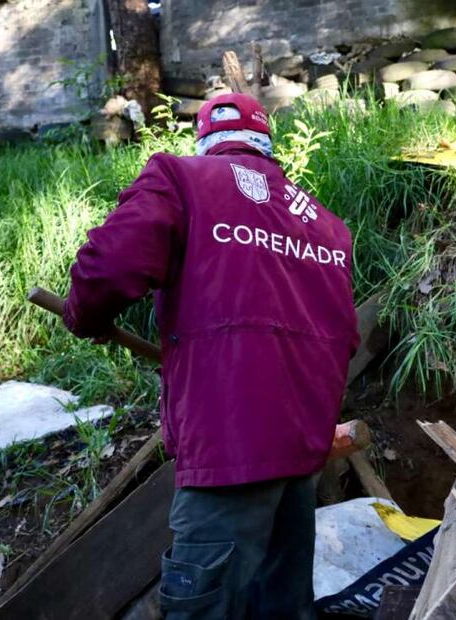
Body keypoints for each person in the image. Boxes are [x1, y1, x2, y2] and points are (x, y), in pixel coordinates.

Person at [62, 93, 359, 618]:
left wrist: (85, 317)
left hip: (227, 452)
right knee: (282, 609)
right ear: (267, 143)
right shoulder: (327, 226)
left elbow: (109, 266)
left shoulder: (180, 179)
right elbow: (345, 336)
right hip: (301, 453)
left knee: (204, 607)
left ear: (204, 141)